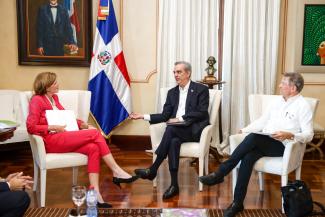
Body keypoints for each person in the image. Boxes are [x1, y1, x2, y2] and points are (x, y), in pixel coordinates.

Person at [199, 72, 314, 217]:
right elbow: (263, 120)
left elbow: (309, 134)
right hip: (266, 140)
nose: (280, 85)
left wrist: (290, 134)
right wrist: (244, 129)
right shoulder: (278, 101)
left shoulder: (303, 106)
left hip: (285, 146)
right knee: (248, 157)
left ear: (293, 88)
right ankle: (237, 203)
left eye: (283, 83)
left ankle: (221, 172)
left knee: (253, 138)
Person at [26, 72, 137, 208]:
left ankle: (95, 194)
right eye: (54, 82)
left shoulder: (54, 98)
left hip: (62, 136)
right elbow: (30, 127)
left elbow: (66, 117)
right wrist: (52, 127)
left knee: (93, 148)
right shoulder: (37, 100)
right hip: (50, 140)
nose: (58, 84)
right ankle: (116, 170)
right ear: (46, 86)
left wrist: (82, 124)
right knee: (95, 133)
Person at [130, 61, 209, 200]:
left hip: (193, 130)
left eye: (179, 72)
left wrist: (180, 118)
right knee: (173, 141)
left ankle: (153, 169)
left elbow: (202, 112)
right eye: (174, 72)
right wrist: (143, 116)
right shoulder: (172, 93)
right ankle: (174, 185)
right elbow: (165, 115)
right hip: (177, 130)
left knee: (171, 129)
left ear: (188, 73)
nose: (176, 75)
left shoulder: (201, 89)